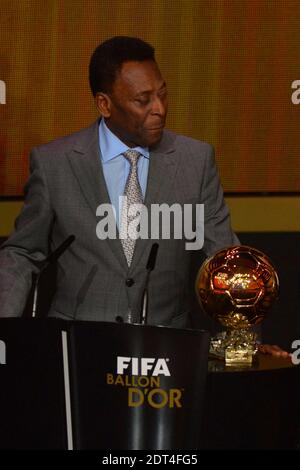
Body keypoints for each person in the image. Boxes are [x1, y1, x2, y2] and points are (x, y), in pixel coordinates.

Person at [0, 36, 288, 357]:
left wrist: (243, 344)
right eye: (143, 100)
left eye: (163, 94)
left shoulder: (196, 160)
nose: (160, 109)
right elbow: (22, 254)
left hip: (168, 351)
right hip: (77, 348)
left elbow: (226, 260)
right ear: (104, 104)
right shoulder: (54, 163)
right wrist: (2, 334)